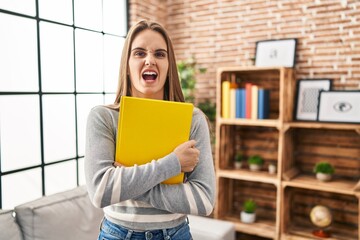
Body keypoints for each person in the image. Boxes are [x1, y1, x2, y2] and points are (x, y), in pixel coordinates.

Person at [85, 19, 216, 240]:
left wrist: (128, 182)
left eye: (159, 54)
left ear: (168, 66)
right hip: (116, 234)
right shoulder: (103, 117)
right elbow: (100, 192)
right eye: (139, 53)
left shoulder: (193, 119)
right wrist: (173, 163)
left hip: (176, 234)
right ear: (127, 65)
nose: (149, 60)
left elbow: (203, 200)